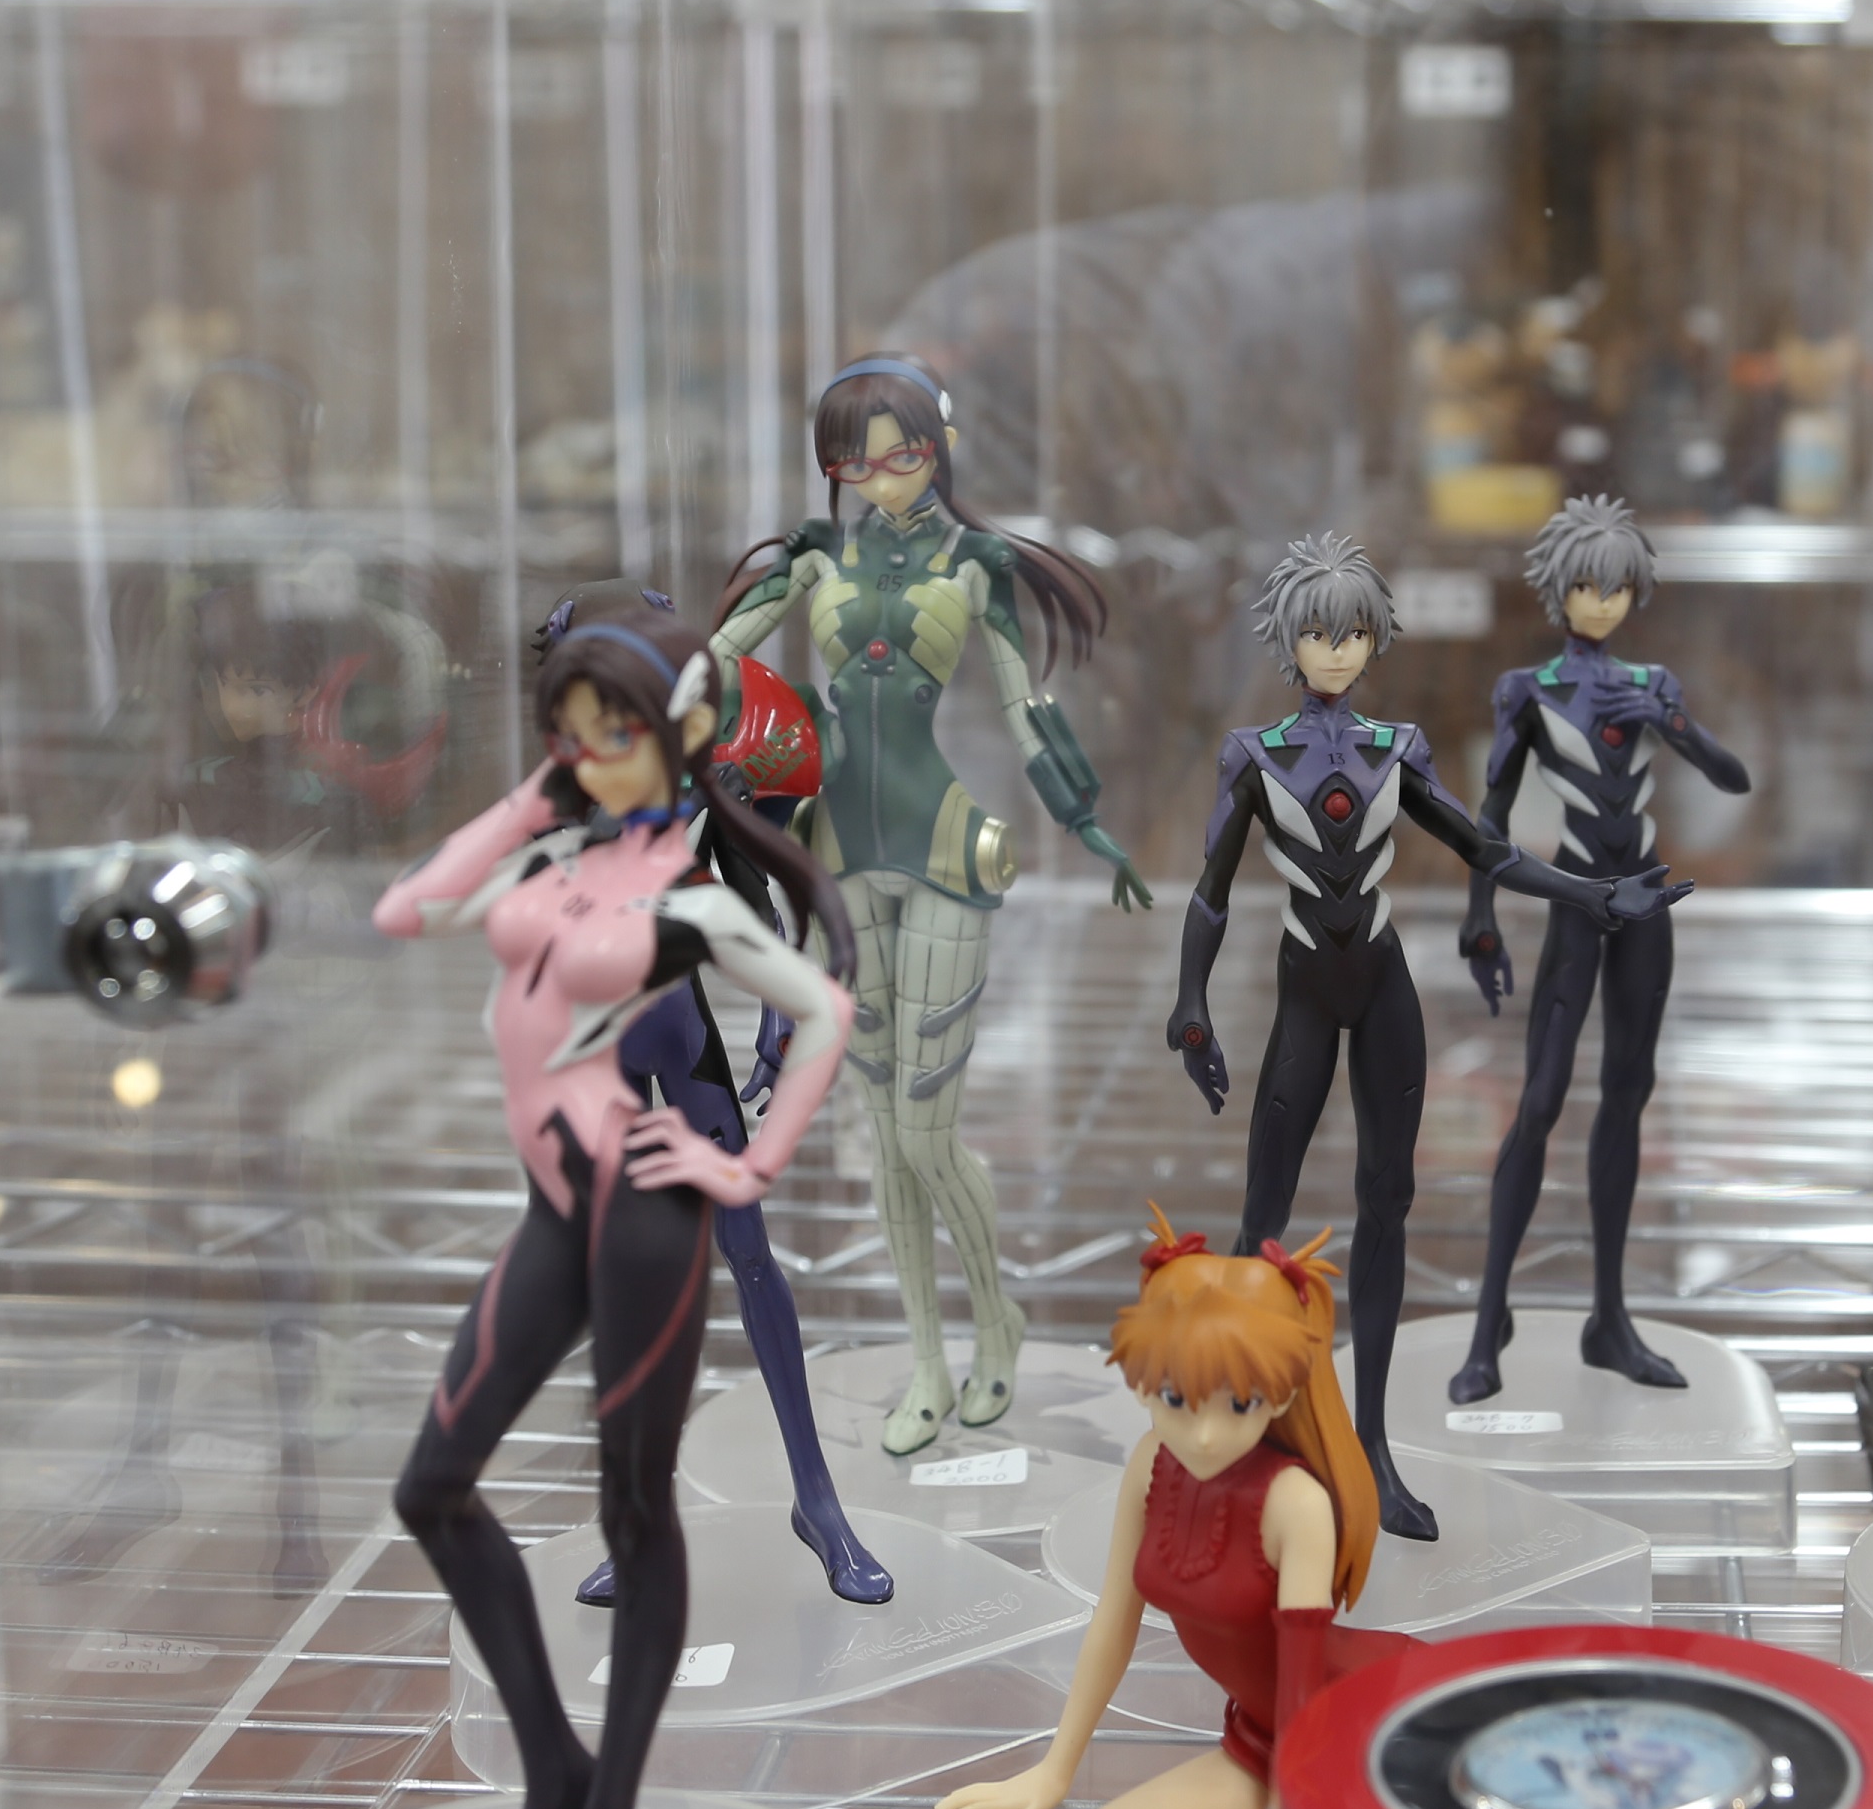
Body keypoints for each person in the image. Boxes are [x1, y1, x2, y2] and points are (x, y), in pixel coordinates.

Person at [935, 1222, 1873, 1809]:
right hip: (1266, 1744)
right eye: (1174, 1398)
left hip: (1367, 1725)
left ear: (1280, 1392)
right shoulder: (1153, 1466)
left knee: (1643, 1805)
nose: (1199, 1431)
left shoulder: (1291, 1503)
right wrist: (1054, 1766)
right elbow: (1114, 1623)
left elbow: (1300, 1675)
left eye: (1232, 1404)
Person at [373, 595, 856, 1809]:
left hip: (640, 1215)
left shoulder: (690, 894)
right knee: (432, 1488)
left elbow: (824, 1007)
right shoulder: (560, 849)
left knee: (633, 1518)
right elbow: (406, 907)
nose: (590, 754)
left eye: (616, 731)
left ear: (676, 733)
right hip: (552, 1215)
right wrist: (537, 795)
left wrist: (743, 1164)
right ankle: (558, 1786)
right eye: (571, 732)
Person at [1165, 535, 1682, 1542]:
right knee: (1262, 1216)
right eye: (1321, 632)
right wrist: (1192, 1003)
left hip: (1385, 991)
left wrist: (1591, 894)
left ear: (1375, 638)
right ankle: (1228, 1438)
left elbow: (1485, 846)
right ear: (1289, 640)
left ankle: (1369, 1446)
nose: (1339, 648)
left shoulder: (1396, 747)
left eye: (1355, 631)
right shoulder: (1254, 755)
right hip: (1305, 991)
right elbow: (1210, 893)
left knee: (1388, 1204)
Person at [711, 354, 1151, 1452]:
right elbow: (706, 663)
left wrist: (1085, 818)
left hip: (945, 847)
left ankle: (995, 1322)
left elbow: (1027, 705)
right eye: (854, 461)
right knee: (881, 1132)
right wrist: (635, 680)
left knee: (925, 1128)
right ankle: (925, 1357)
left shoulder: (974, 564)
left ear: (937, 447)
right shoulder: (813, 560)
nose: (879, 474)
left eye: (900, 452)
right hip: (840, 855)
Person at [1449, 497, 1753, 1403]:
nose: (1604, 601)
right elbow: (1491, 817)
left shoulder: (1652, 682)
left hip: (1648, 905)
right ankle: (1488, 1324)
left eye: (1619, 586)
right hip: (1578, 904)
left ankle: (1609, 1319)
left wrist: (1675, 722)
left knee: (1628, 1098)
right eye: (1588, 585)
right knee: (1540, 1100)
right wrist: (1480, 913)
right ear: (1559, 590)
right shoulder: (1529, 689)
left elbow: (1732, 778)